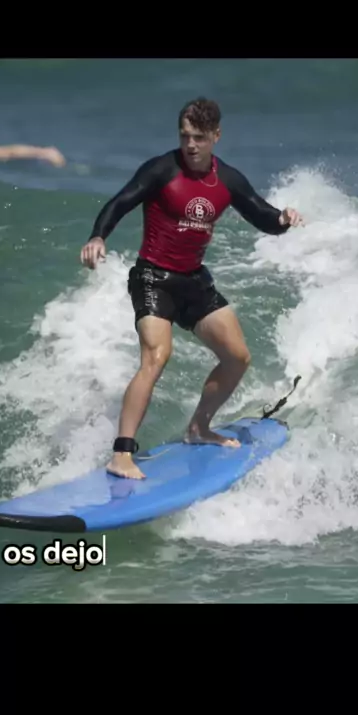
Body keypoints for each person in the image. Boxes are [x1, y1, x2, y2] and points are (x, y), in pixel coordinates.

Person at [80, 97, 304, 479]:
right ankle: (122, 454)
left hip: (194, 280)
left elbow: (261, 214)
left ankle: (199, 427)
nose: (190, 145)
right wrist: (98, 236)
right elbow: (120, 202)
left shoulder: (228, 180)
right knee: (156, 356)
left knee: (237, 357)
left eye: (199, 137)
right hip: (153, 278)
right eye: (184, 136)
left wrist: (283, 218)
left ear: (216, 136)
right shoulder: (161, 170)